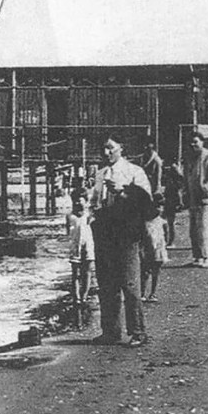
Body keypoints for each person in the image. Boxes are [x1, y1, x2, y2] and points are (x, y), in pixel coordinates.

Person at [89, 136, 152, 347]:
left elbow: (147, 204)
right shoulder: (100, 174)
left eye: (111, 148)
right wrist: (92, 214)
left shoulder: (134, 172)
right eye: (103, 148)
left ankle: (138, 331)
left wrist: (123, 192)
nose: (106, 153)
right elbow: (94, 201)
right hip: (104, 232)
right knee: (107, 284)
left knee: (130, 283)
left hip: (126, 233)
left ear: (121, 148)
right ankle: (111, 331)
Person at [184, 132, 208, 268]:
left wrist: (204, 189)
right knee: (193, 230)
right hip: (193, 199)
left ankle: (206, 257)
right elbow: (187, 177)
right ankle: (197, 256)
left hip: (205, 200)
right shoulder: (190, 158)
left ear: (202, 142)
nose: (193, 145)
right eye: (191, 142)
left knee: (204, 228)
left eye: (195, 142)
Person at [66, 189, 94, 308]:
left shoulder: (90, 215)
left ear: (86, 201)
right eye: (75, 201)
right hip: (75, 246)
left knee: (87, 272)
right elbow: (68, 231)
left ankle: (84, 296)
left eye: (80, 201)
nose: (77, 203)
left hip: (89, 245)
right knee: (75, 273)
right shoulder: (70, 216)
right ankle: (76, 297)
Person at [140, 194, 169, 303]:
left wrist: (163, 246)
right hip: (147, 249)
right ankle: (142, 292)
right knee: (145, 272)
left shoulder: (162, 222)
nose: (159, 209)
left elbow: (166, 235)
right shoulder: (145, 222)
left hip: (158, 250)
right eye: (156, 206)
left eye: (161, 207)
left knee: (156, 272)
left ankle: (153, 293)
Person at [162, 157, 184, 247]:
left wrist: (179, 201)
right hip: (168, 196)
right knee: (165, 221)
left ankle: (171, 241)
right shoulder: (169, 168)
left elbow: (180, 182)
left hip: (172, 198)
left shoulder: (174, 168)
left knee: (170, 222)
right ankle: (166, 240)